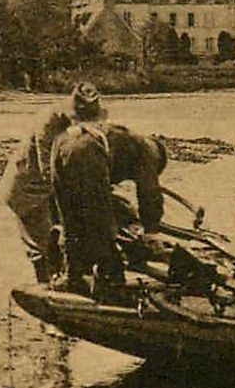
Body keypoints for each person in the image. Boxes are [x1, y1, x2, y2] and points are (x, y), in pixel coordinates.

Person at [0, 82, 106, 283]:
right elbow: (47, 166)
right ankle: (47, 286)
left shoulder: (83, 122)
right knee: (42, 241)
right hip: (29, 187)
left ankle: (72, 277)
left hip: (52, 185)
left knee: (67, 234)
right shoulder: (48, 121)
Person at [49, 122, 168, 299]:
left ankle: (73, 277)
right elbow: (149, 193)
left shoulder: (124, 139)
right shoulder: (149, 150)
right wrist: (151, 233)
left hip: (60, 145)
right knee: (102, 225)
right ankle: (111, 285)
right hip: (87, 151)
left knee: (70, 220)